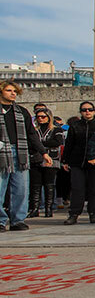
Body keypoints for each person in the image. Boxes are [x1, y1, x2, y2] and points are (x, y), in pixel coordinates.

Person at [0, 80, 50, 231]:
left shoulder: (21, 111)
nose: (13, 93)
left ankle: (17, 220)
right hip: (2, 152)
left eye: (15, 91)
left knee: (21, 188)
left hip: (20, 152)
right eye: (9, 90)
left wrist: (43, 152)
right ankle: (1, 221)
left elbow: (32, 134)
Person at [61, 101, 95, 225]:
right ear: (81, 112)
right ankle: (74, 214)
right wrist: (65, 161)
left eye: (90, 109)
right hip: (77, 161)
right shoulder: (75, 126)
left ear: (94, 111)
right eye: (84, 110)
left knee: (94, 189)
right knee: (77, 188)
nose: (87, 112)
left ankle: (93, 213)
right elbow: (69, 144)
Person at [27, 108, 63, 218]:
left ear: (49, 117)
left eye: (43, 116)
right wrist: (39, 145)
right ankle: (35, 208)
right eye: (38, 117)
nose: (40, 119)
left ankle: (49, 208)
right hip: (35, 158)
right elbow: (30, 142)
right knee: (35, 185)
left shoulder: (56, 129)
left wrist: (39, 144)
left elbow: (57, 142)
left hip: (51, 158)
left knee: (49, 185)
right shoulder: (34, 130)